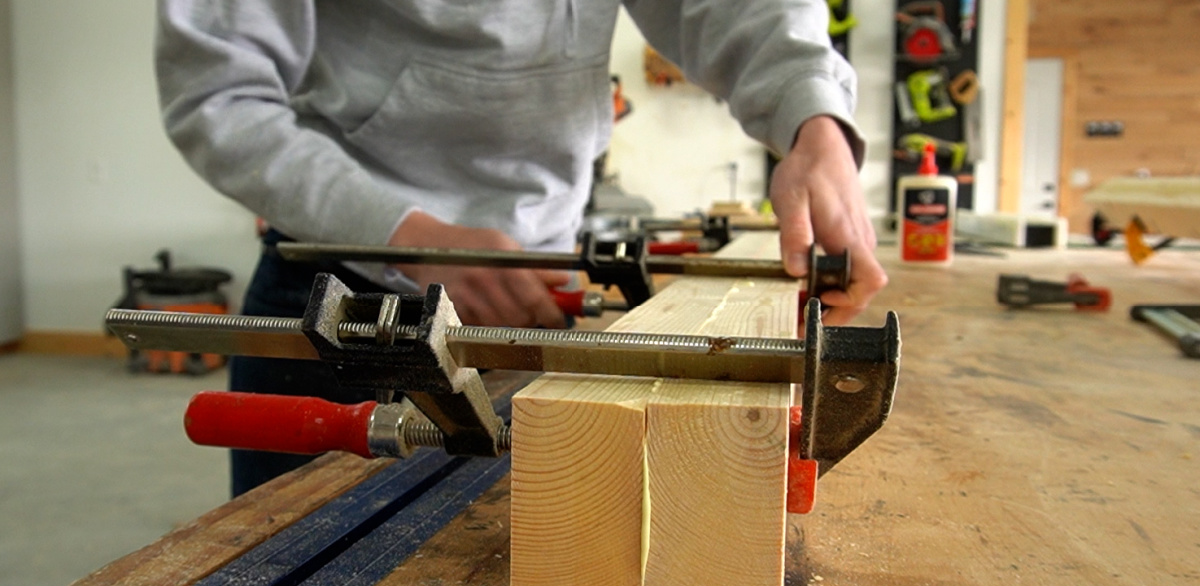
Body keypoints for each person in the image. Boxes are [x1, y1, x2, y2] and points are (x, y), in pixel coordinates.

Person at [155, 0, 888, 496]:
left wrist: (815, 116)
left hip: (531, 301)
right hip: (343, 289)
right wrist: (407, 235)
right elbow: (217, 97)